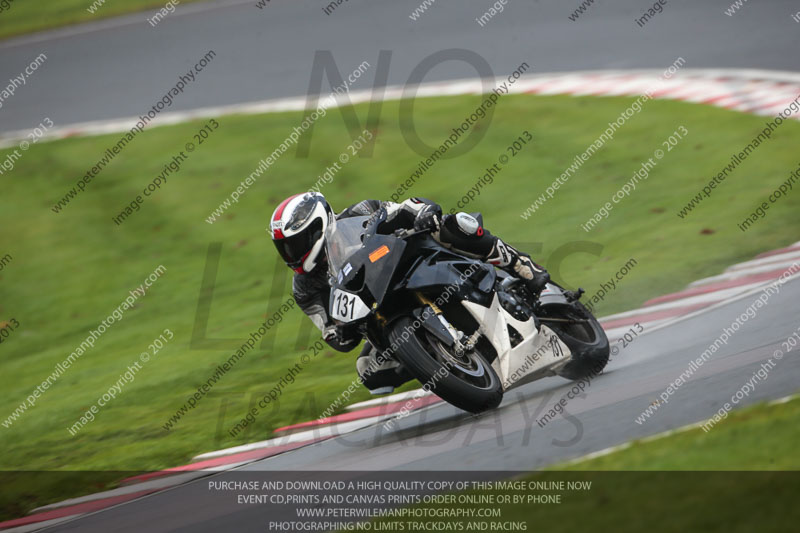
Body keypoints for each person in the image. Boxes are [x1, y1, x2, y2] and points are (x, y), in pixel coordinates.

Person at [269, 192, 550, 394]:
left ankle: (521, 265)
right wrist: (337, 331)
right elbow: (328, 329)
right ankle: (433, 361)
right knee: (369, 370)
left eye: (296, 244)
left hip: (411, 262)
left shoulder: (359, 212)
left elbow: (403, 208)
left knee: (454, 225)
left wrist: (421, 213)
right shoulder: (305, 287)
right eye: (285, 248)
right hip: (379, 312)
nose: (291, 254)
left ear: (317, 227)